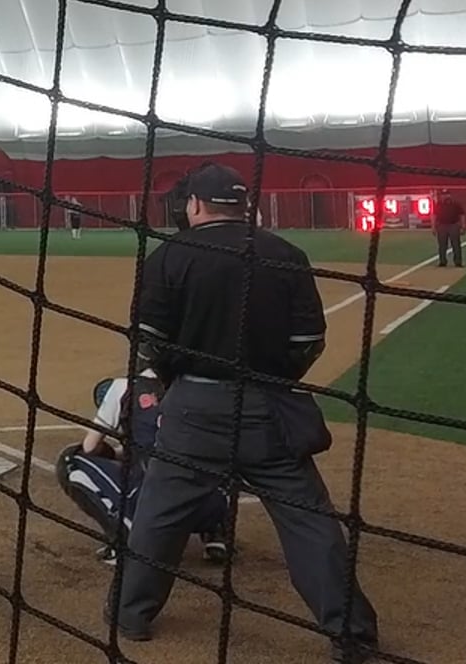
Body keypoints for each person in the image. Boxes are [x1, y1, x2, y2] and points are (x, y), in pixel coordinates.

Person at [108, 163, 379, 662]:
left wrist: (174, 377)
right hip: (268, 409)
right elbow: (309, 341)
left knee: (159, 514)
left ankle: (131, 613)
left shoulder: (170, 255)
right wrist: (274, 378)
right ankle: (351, 633)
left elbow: (147, 343)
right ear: (243, 205)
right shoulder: (285, 254)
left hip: (193, 408)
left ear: (194, 205)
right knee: (309, 523)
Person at [56, 368, 231, 565]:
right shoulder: (196, 384)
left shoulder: (123, 387)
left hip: (158, 507)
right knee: (216, 448)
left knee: (71, 460)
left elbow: (90, 447)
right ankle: (218, 531)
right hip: (206, 504)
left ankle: (128, 541)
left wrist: (113, 452)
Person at [433, 190, 465, 268]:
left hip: (453, 225)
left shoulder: (456, 204)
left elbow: (462, 215)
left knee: (456, 245)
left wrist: (463, 225)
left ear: (450, 195)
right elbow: (434, 215)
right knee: (442, 245)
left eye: (447, 194)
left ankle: (458, 262)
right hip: (442, 226)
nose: (445, 196)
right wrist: (433, 226)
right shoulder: (438, 205)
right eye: (443, 195)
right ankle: (442, 261)